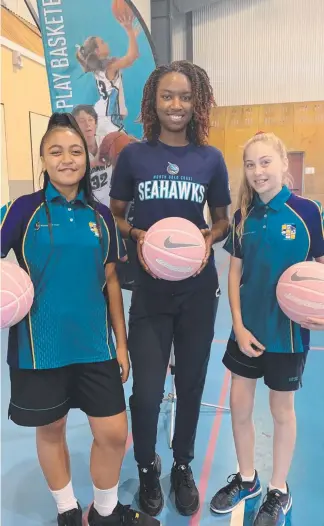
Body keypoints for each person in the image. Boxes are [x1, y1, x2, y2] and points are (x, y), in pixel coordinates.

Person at [0, 113, 161, 526]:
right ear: (43, 159)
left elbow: (110, 282)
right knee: (51, 431)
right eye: (56, 151)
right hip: (39, 347)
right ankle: (67, 510)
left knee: (111, 433)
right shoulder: (21, 210)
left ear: (87, 159)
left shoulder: (101, 215)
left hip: (95, 345)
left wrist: (121, 344)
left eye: (75, 151)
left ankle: (105, 512)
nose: (66, 159)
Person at [109, 60, 231, 517]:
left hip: (198, 289)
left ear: (196, 102)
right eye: (167, 96)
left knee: (193, 382)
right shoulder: (134, 157)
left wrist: (206, 239)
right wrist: (137, 234)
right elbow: (117, 212)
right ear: (153, 103)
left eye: (184, 97)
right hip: (152, 290)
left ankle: (182, 464)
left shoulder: (210, 159)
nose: (176, 105)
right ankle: (146, 467)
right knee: (145, 391)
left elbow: (220, 220)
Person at [210, 132, 324, 526]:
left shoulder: (309, 212)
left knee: (281, 410)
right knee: (239, 407)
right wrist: (238, 327)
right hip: (248, 331)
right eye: (250, 164)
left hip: (288, 335)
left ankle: (278, 488)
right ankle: (246, 478)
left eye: (265, 162)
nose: (258, 171)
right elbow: (234, 275)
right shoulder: (244, 217)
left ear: (282, 164)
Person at [76, 13, 140, 138]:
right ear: (97, 51)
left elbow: (134, 55)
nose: (106, 43)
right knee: (128, 148)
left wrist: (133, 38)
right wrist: (129, 31)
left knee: (125, 148)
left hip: (103, 117)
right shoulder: (110, 67)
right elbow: (131, 57)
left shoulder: (100, 67)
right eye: (102, 42)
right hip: (108, 118)